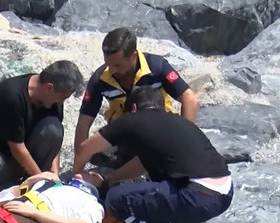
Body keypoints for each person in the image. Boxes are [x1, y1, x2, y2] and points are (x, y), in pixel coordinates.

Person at [74, 85, 232, 223]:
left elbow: (85, 148)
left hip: (196, 198)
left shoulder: (133, 120)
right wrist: (110, 180)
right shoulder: (177, 122)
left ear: (133, 108)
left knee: (116, 199)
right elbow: (141, 165)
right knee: (158, 173)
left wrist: (77, 174)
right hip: (224, 194)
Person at [73, 27, 199, 173]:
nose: (112, 70)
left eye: (117, 65)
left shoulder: (157, 67)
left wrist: (183, 142)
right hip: (124, 133)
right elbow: (84, 122)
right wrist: (78, 167)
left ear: (133, 56)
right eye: (108, 64)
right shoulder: (100, 79)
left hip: (159, 129)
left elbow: (190, 99)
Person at [0, 60, 85, 206]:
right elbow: (17, 148)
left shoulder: (51, 99)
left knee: (54, 128)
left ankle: (32, 189)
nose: (62, 101)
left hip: (23, 158)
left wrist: (54, 176)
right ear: (49, 87)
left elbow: (54, 141)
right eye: (63, 97)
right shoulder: (12, 96)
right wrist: (42, 178)